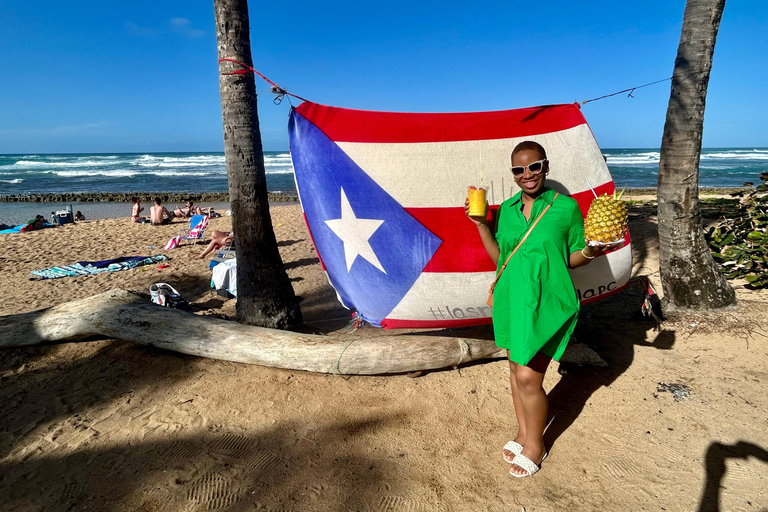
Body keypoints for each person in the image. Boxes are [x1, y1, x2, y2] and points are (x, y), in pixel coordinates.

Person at [465, 141, 613, 478]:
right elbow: (501, 258)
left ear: (546, 166)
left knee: (530, 377)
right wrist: (480, 224)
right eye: (519, 169)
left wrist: (591, 251)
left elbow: (572, 258)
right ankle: (524, 432)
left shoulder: (565, 208)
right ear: (513, 174)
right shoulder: (507, 208)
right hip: (512, 298)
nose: (527, 174)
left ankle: (536, 445)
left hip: (547, 302)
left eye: (534, 166)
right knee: (515, 370)